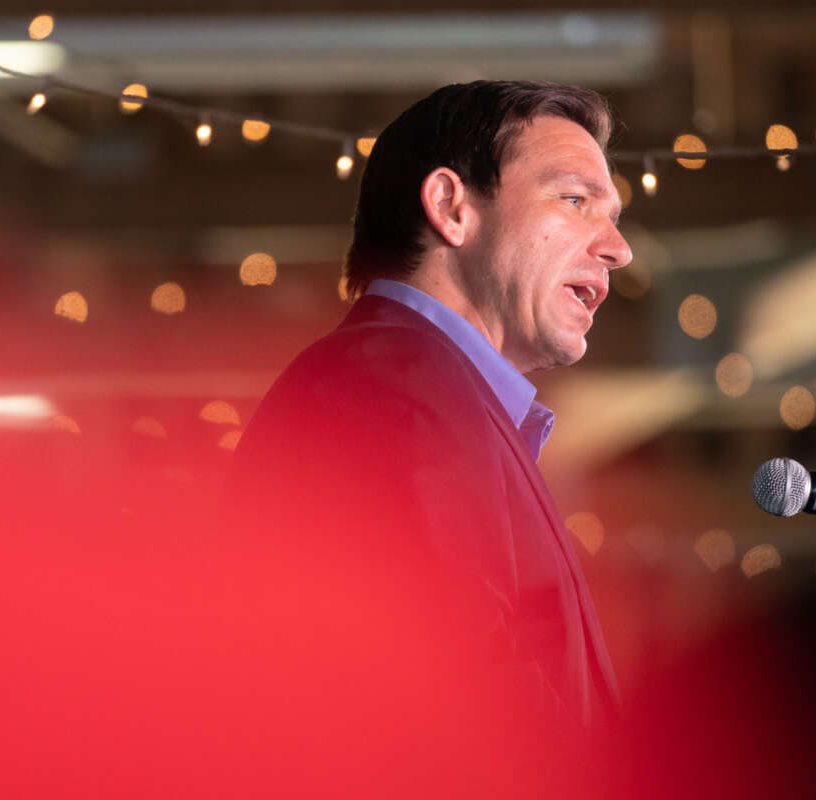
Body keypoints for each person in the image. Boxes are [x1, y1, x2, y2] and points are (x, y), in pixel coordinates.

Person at [223, 81, 632, 795]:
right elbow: (463, 709)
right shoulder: (391, 388)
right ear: (451, 207)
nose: (619, 249)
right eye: (575, 200)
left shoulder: (426, 391)